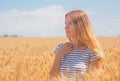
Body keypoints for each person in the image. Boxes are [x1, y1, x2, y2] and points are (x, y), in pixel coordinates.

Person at [49, 10, 104, 81]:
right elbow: (52, 78)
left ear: (80, 26)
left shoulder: (92, 51)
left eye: (70, 23)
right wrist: (58, 55)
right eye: (65, 24)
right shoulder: (60, 47)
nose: (66, 27)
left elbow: (94, 78)